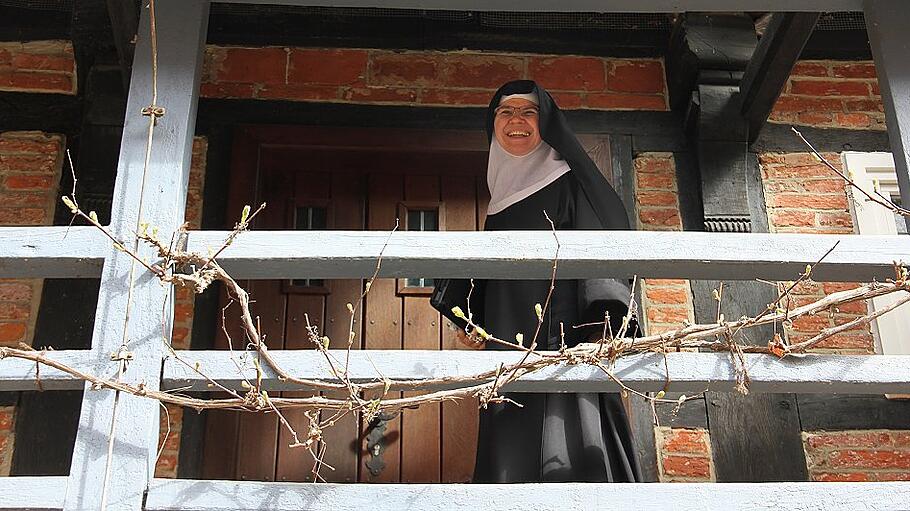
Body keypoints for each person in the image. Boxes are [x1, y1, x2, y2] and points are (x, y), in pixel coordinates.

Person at [432, 80, 641, 483]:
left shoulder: (568, 181)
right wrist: (471, 323)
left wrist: (603, 321)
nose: (516, 120)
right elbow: (493, 275)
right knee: (510, 453)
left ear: (547, 123)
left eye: (528, 112)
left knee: (573, 444)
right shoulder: (499, 199)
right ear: (492, 125)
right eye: (505, 112)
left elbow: (603, 242)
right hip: (509, 343)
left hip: (564, 336)